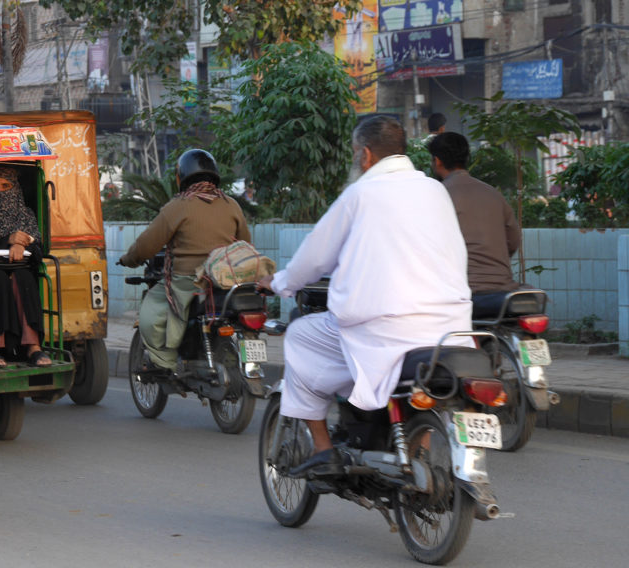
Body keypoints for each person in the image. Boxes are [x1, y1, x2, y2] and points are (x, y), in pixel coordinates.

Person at [258, 115, 471, 475]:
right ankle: (414, 454)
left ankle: (324, 449)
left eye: (356, 153)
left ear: (366, 154)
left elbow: (315, 256)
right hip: (451, 329)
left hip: (387, 331)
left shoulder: (360, 194)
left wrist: (279, 283)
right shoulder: (435, 191)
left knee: (300, 337)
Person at [118, 149, 250, 372]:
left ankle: (166, 361)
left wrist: (128, 259)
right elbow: (245, 244)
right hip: (225, 281)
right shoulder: (232, 205)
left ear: (182, 177)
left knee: (152, 312)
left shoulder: (178, 206)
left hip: (187, 281)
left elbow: (146, 245)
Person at [428, 132, 522, 316]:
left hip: (462, 292)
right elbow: (513, 241)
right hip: (505, 289)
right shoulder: (493, 194)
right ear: (466, 158)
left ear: (437, 161)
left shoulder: (437, 195)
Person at [0, 165, 51, 367]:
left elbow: (38, 250)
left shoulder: (25, 215)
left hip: (20, 269)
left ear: (15, 188)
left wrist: (21, 243)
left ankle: (33, 347)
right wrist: (8, 240)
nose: (0, 192)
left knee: (24, 278)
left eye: (5, 186)